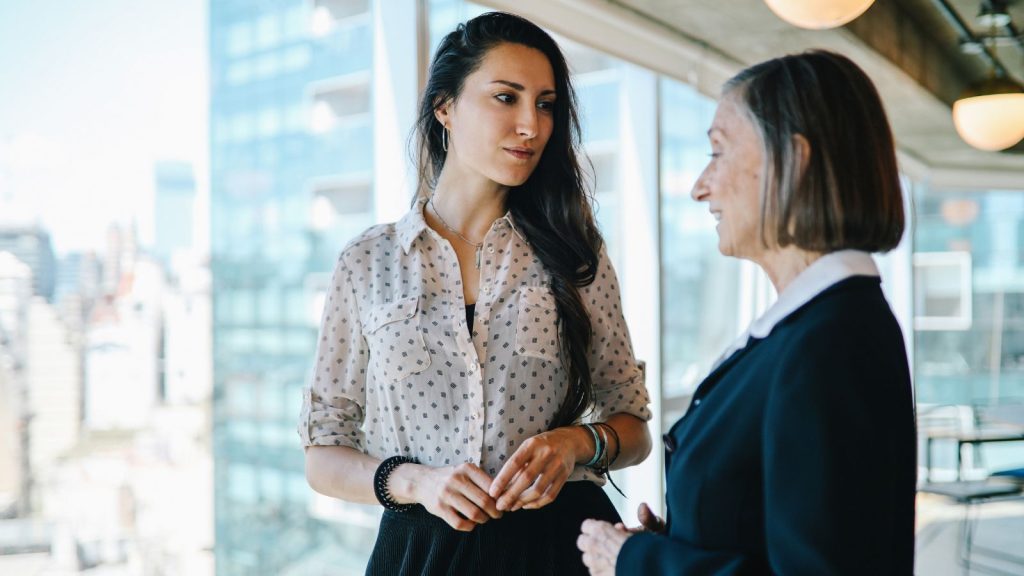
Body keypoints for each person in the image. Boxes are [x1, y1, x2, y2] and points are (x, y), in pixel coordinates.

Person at [298, 11, 653, 575]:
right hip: (421, 553)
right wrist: (415, 482)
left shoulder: (575, 252)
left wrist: (574, 444)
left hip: (560, 548)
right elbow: (323, 455)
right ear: (445, 108)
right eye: (506, 98)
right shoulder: (367, 263)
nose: (531, 125)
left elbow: (633, 427)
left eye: (545, 105)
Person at [577, 50, 916, 575]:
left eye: (718, 151)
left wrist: (640, 562)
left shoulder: (830, 345)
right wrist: (684, 539)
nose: (699, 186)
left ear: (793, 162)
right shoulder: (813, 330)